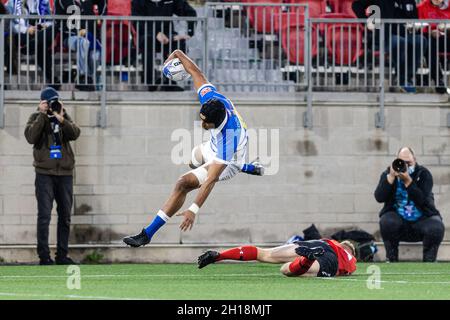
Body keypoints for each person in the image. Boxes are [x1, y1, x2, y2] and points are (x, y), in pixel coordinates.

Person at [123, 49, 264, 247]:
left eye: (205, 123)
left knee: (183, 183)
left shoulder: (229, 139)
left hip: (227, 161)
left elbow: (211, 180)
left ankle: (147, 234)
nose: (202, 124)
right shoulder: (211, 98)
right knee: (193, 159)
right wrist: (178, 54)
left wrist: (193, 209)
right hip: (212, 146)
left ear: (216, 123)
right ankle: (249, 167)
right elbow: (196, 72)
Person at [24, 87, 81, 265]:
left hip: (64, 173)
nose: (51, 106)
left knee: (65, 215)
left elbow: (75, 133)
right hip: (44, 173)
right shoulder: (35, 117)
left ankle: (62, 255)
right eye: (48, 103)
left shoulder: (63, 116)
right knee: (44, 216)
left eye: (54, 102)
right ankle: (44, 256)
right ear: (42, 103)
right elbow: (31, 137)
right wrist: (42, 115)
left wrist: (61, 118)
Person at [374, 147, 445, 262]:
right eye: (402, 162)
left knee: (436, 227)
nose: (405, 166)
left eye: (408, 163)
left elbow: (422, 200)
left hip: (422, 219)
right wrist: (390, 178)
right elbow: (379, 197)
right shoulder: (388, 174)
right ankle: (391, 258)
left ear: (415, 160)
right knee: (386, 221)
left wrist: (408, 181)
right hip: (398, 220)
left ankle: (430, 260)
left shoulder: (424, 174)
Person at [352, 0, 428, 93]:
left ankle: (408, 77)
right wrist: (367, 22)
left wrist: (414, 26)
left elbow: (414, 19)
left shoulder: (410, 1)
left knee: (420, 40)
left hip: (406, 33)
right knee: (399, 42)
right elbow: (356, 5)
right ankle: (402, 80)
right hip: (384, 35)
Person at [197, 239, 357, 278]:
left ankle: (220, 256)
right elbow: (347, 271)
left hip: (314, 243)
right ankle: (307, 260)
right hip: (330, 259)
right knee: (286, 270)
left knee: (264, 253)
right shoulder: (350, 258)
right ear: (349, 250)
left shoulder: (329, 240)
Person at [131, 0, 197, 91]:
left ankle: (169, 82)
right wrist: (156, 33)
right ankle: (150, 81)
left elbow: (190, 12)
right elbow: (137, 22)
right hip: (147, 34)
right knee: (147, 42)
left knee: (179, 45)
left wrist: (189, 33)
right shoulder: (139, 2)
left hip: (168, 35)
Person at [6, 0, 60, 88]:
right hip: (21, 36)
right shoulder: (12, 3)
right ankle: (52, 79)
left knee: (42, 43)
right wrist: (26, 30)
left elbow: (50, 22)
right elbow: (9, 24)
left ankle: (52, 79)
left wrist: (38, 28)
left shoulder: (43, 2)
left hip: (38, 35)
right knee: (42, 45)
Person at [54, 0, 106, 91]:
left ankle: (87, 78)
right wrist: (77, 32)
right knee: (83, 42)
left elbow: (103, 4)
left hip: (90, 37)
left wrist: (101, 16)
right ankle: (82, 76)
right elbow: (58, 22)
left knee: (97, 54)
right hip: (70, 37)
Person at [417, 0, 450, 94]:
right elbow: (419, 25)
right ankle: (438, 80)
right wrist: (431, 30)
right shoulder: (422, 6)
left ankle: (428, 77)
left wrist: (445, 29)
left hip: (446, 36)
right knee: (429, 45)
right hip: (430, 37)